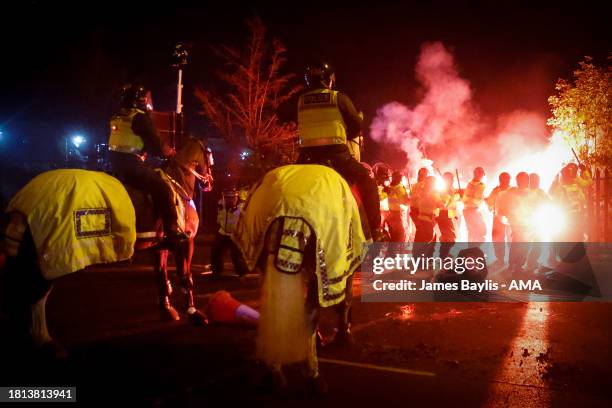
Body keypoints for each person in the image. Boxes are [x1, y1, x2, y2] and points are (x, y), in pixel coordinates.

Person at [297, 62, 382, 241]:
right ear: (328, 79)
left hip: (306, 158)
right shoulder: (338, 98)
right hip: (337, 157)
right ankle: (374, 231)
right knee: (368, 182)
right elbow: (356, 126)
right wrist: (346, 134)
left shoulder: (301, 101)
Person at [108, 84, 187, 249]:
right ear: (141, 100)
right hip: (131, 166)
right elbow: (156, 145)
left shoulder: (117, 116)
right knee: (163, 188)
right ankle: (171, 233)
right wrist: (170, 153)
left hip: (114, 165)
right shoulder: (140, 117)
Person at [497, 172, 533, 275]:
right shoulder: (512, 192)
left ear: (527, 181)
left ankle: (519, 265)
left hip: (528, 223)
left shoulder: (531, 193)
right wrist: (503, 212)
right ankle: (513, 265)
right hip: (517, 222)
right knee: (517, 243)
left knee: (525, 244)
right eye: (519, 180)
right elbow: (503, 203)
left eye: (523, 179)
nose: (520, 182)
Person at [211, 189, 247, 279]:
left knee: (236, 255)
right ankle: (216, 271)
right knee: (215, 251)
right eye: (227, 198)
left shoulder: (242, 207)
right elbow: (219, 218)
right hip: (223, 232)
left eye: (231, 198)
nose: (229, 200)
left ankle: (242, 273)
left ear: (236, 198)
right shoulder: (221, 204)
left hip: (235, 234)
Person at [414, 176, 444, 259]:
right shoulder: (434, 194)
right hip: (428, 221)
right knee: (426, 241)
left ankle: (416, 259)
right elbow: (442, 205)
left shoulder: (420, 192)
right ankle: (421, 261)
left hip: (421, 219)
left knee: (419, 240)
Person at [486, 172, 511, 266]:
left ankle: (512, 258)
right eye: (502, 179)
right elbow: (489, 202)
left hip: (510, 217)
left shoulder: (512, 190)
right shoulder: (496, 190)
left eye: (506, 178)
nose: (504, 181)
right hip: (498, 217)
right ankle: (500, 259)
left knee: (511, 238)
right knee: (498, 238)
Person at [526, 173, 550, 271]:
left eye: (537, 180)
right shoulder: (524, 192)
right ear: (529, 181)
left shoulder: (541, 192)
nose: (536, 182)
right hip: (525, 220)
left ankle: (532, 262)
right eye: (534, 180)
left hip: (538, 220)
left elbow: (548, 202)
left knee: (538, 242)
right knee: (525, 243)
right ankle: (524, 262)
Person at [462, 167, 487, 244]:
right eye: (480, 173)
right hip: (471, 210)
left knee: (475, 232)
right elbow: (471, 199)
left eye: (482, 173)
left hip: (471, 210)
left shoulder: (472, 185)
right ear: (475, 173)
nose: (481, 175)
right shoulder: (478, 185)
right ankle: (472, 250)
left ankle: (472, 250)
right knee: (478, 231)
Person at [437, 172, 460, 259]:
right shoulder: (445, 190)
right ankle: (443, 256)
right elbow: (444, 204)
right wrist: (451, 195)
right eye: (452, 179)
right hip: (443, 214)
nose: (453, 180)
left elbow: (452, 204)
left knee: (448, 237)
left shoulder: (450, 189)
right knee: (450, 237)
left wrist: (454, 214)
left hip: (447, 214)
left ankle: (444, 254)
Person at [384, 171, 410, 242]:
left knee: (393, 235)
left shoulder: (390, 187)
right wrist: (407, 196)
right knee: (399, 236)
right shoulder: (399, 188)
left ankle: (391, 251)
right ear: (400, 178)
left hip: (390, 214)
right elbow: (406, 203)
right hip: (397, 215)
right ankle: (393, 251)